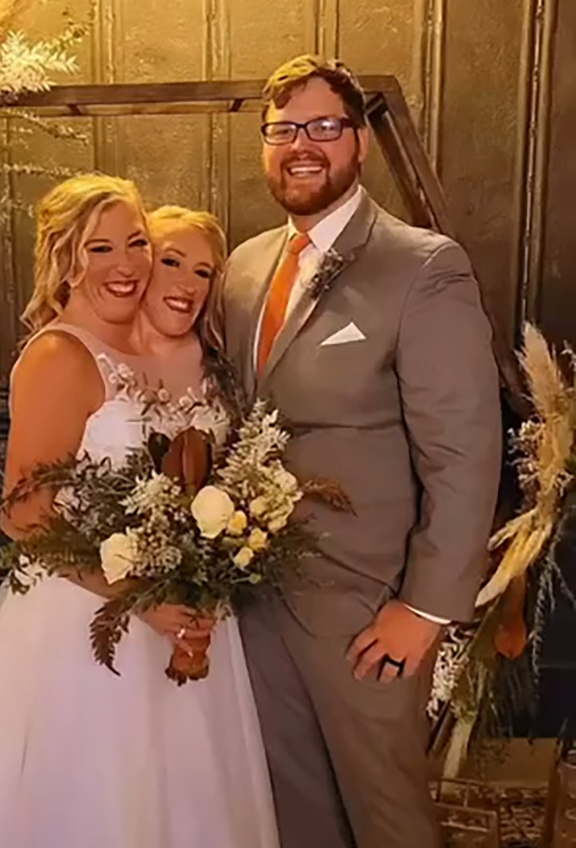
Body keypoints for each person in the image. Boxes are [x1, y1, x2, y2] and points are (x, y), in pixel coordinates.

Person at [0, 176, 279, 848]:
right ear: (64, 257)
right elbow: (22, 514)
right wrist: (137, 598)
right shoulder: (59, 355)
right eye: (100, 248)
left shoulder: (175, 354)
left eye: (137, 244)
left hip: (187, 617)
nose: (125, 265)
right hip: (87, 622)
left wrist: (202, 569)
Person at [221, 55, 503, 848]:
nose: (300, 145)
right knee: (292, 811)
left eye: (322, 127)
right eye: (282, 129)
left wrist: (425, 607)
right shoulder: (242, 269)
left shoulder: (422, 267)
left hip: (369, 608)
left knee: (387, 817)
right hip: (256, 596)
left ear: (359, 143)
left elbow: (465, 450)